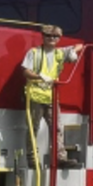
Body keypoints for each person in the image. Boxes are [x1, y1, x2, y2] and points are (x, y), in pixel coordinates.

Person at [21, 25, 84, 168]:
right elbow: (25, 71)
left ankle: (60, 158)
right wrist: (41, 77)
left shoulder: (60, 53)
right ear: (43, 37)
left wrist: (74, 51)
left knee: (57, 128)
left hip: (51, 97)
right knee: (33, 128)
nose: (52, 39)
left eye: (55, 37)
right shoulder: (34, 52)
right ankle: (32, 160)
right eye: (49, 36)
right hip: (35, 96)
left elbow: (80, 45)